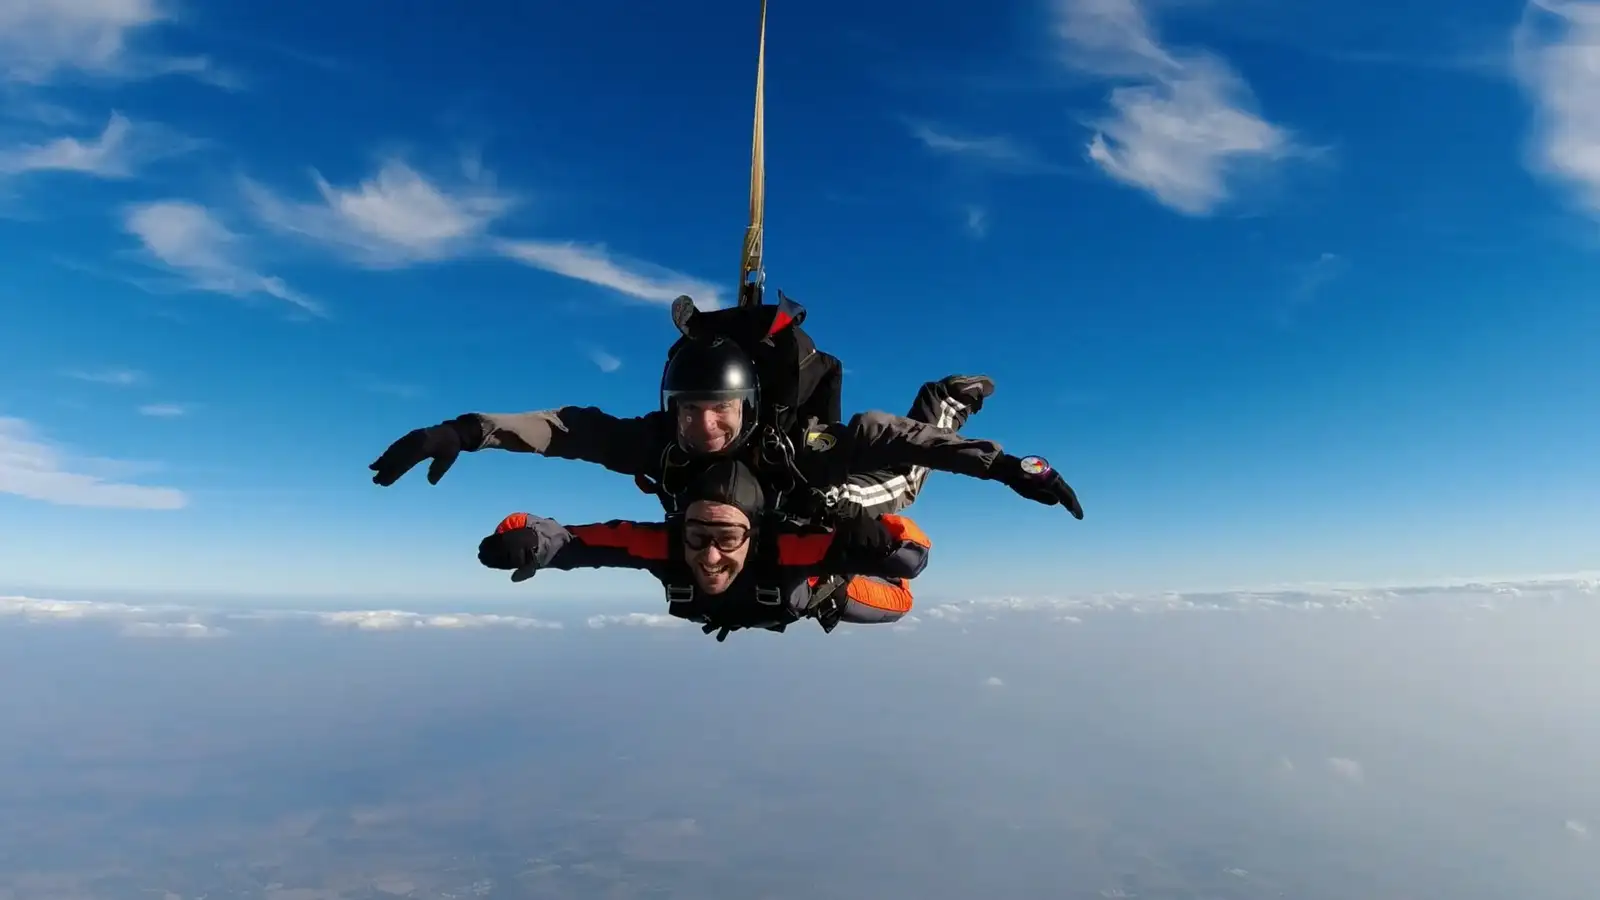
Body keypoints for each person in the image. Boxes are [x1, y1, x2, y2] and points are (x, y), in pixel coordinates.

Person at [369, 340, 1084, 521]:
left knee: (898, 490)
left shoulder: (793, 445)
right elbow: (570, 430)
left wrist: (1005, 466)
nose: (703, 425)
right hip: (752, 520)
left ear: (748, 411)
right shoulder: (659, 442)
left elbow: (890, 440)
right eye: (689, 409)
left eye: (720, 410)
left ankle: (948, 395)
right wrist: (467, 431)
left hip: (819, 493)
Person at [476, 458, 930, 641]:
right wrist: (526, 540)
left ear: (752, 535)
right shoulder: (664, 546)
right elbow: (577, 542)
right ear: (682, 528)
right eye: (698, 536)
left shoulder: (789, 548)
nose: (711, 556)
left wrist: (885, 536)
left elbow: (913, 559)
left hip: (824, 588)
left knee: (901, 598)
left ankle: (942, 402)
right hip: (782, 591)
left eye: (728, 538)